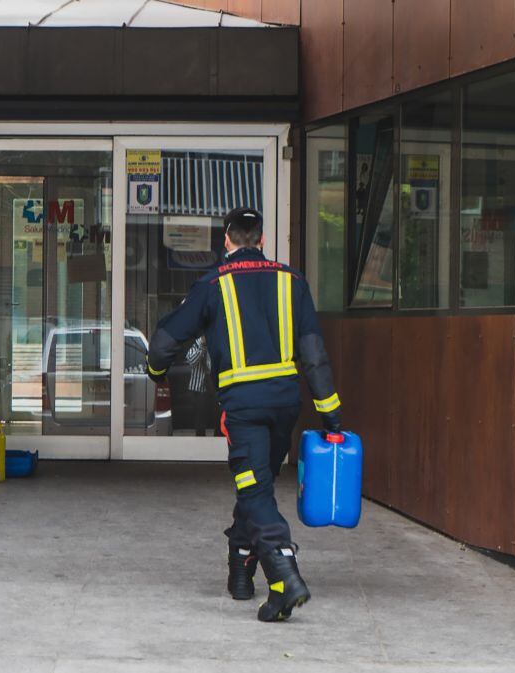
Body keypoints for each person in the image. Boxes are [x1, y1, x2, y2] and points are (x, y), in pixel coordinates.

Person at [145, 207, 342, 623]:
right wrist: (331, 415)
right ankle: (240, 566)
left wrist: (156, 372)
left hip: (244, 407)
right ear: (262, 241)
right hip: (286, 403)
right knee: (258, 485)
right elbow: (314, 354)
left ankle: (284, 574)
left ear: (227, 241)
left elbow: (165, 341)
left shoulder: (213, 283)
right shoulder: (293, 281)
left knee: (254, 491)